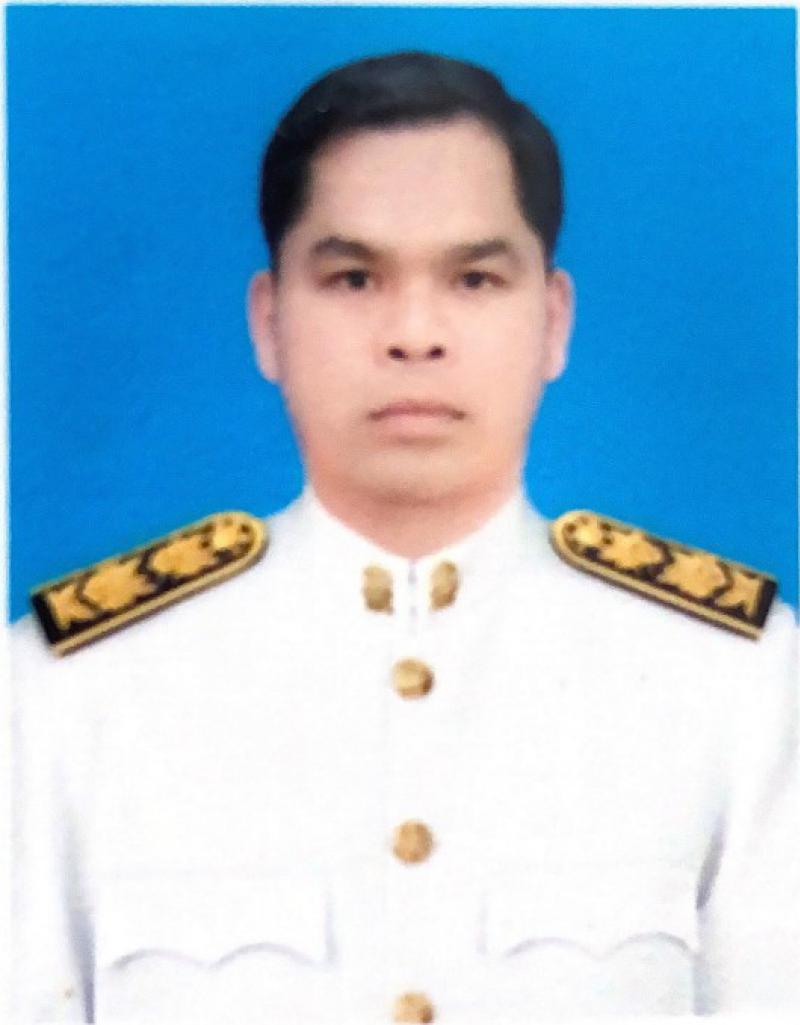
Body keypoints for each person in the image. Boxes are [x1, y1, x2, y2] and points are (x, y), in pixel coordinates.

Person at [11, 51, 798, 1023]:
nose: (414, 333)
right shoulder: (61, 693)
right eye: (352, 278)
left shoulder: (740, 680)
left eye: (474, 278)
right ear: (269, 323)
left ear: (552, 322)